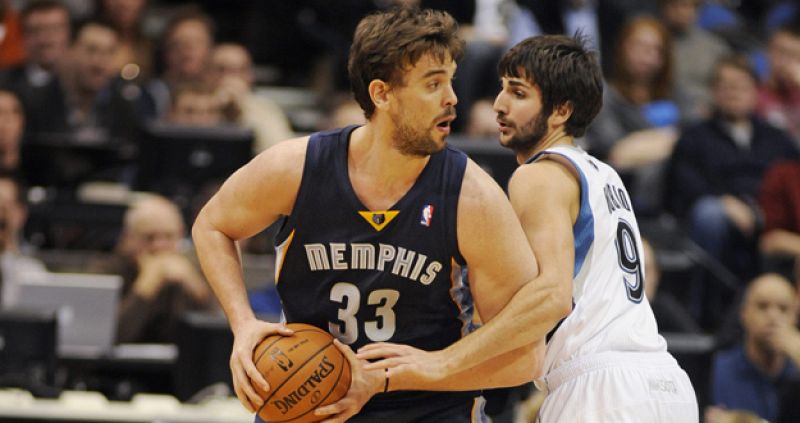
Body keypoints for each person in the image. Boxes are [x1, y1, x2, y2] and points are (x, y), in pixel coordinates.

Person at [192, 8, 542, 422]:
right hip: (311, 403)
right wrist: (243, 324)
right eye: (433, 84)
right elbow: (212, 225)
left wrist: (411, 373)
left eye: (451, 80)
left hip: (428, 411)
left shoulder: (473, 197)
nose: (452, 98)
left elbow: (525, 358)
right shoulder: (298, 168)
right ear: (381, 94)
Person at [345, 34, 698, 422]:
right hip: (666, 385)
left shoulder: (539, 175)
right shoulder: (604, 174)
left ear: (561, 110)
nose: (499, 103)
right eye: (501, 89)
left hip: (601, 389)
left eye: (517, 92)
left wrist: (439, 362)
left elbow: (552, 295)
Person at [108, 195, 215, 344]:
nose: (160, 246)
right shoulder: (109, 272)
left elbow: (220, 335)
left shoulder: (197, 269)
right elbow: (109, 336)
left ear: (181, 235)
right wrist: (146, 286)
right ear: (128, 238)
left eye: (169, 236)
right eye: (149, 237)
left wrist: (194, 286)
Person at [709, 273, 800, 422]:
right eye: (762, 306)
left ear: (795, 317)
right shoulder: (716, 369)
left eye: (783, 309)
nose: (773, 317)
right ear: (744, 313)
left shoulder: (796, 370)